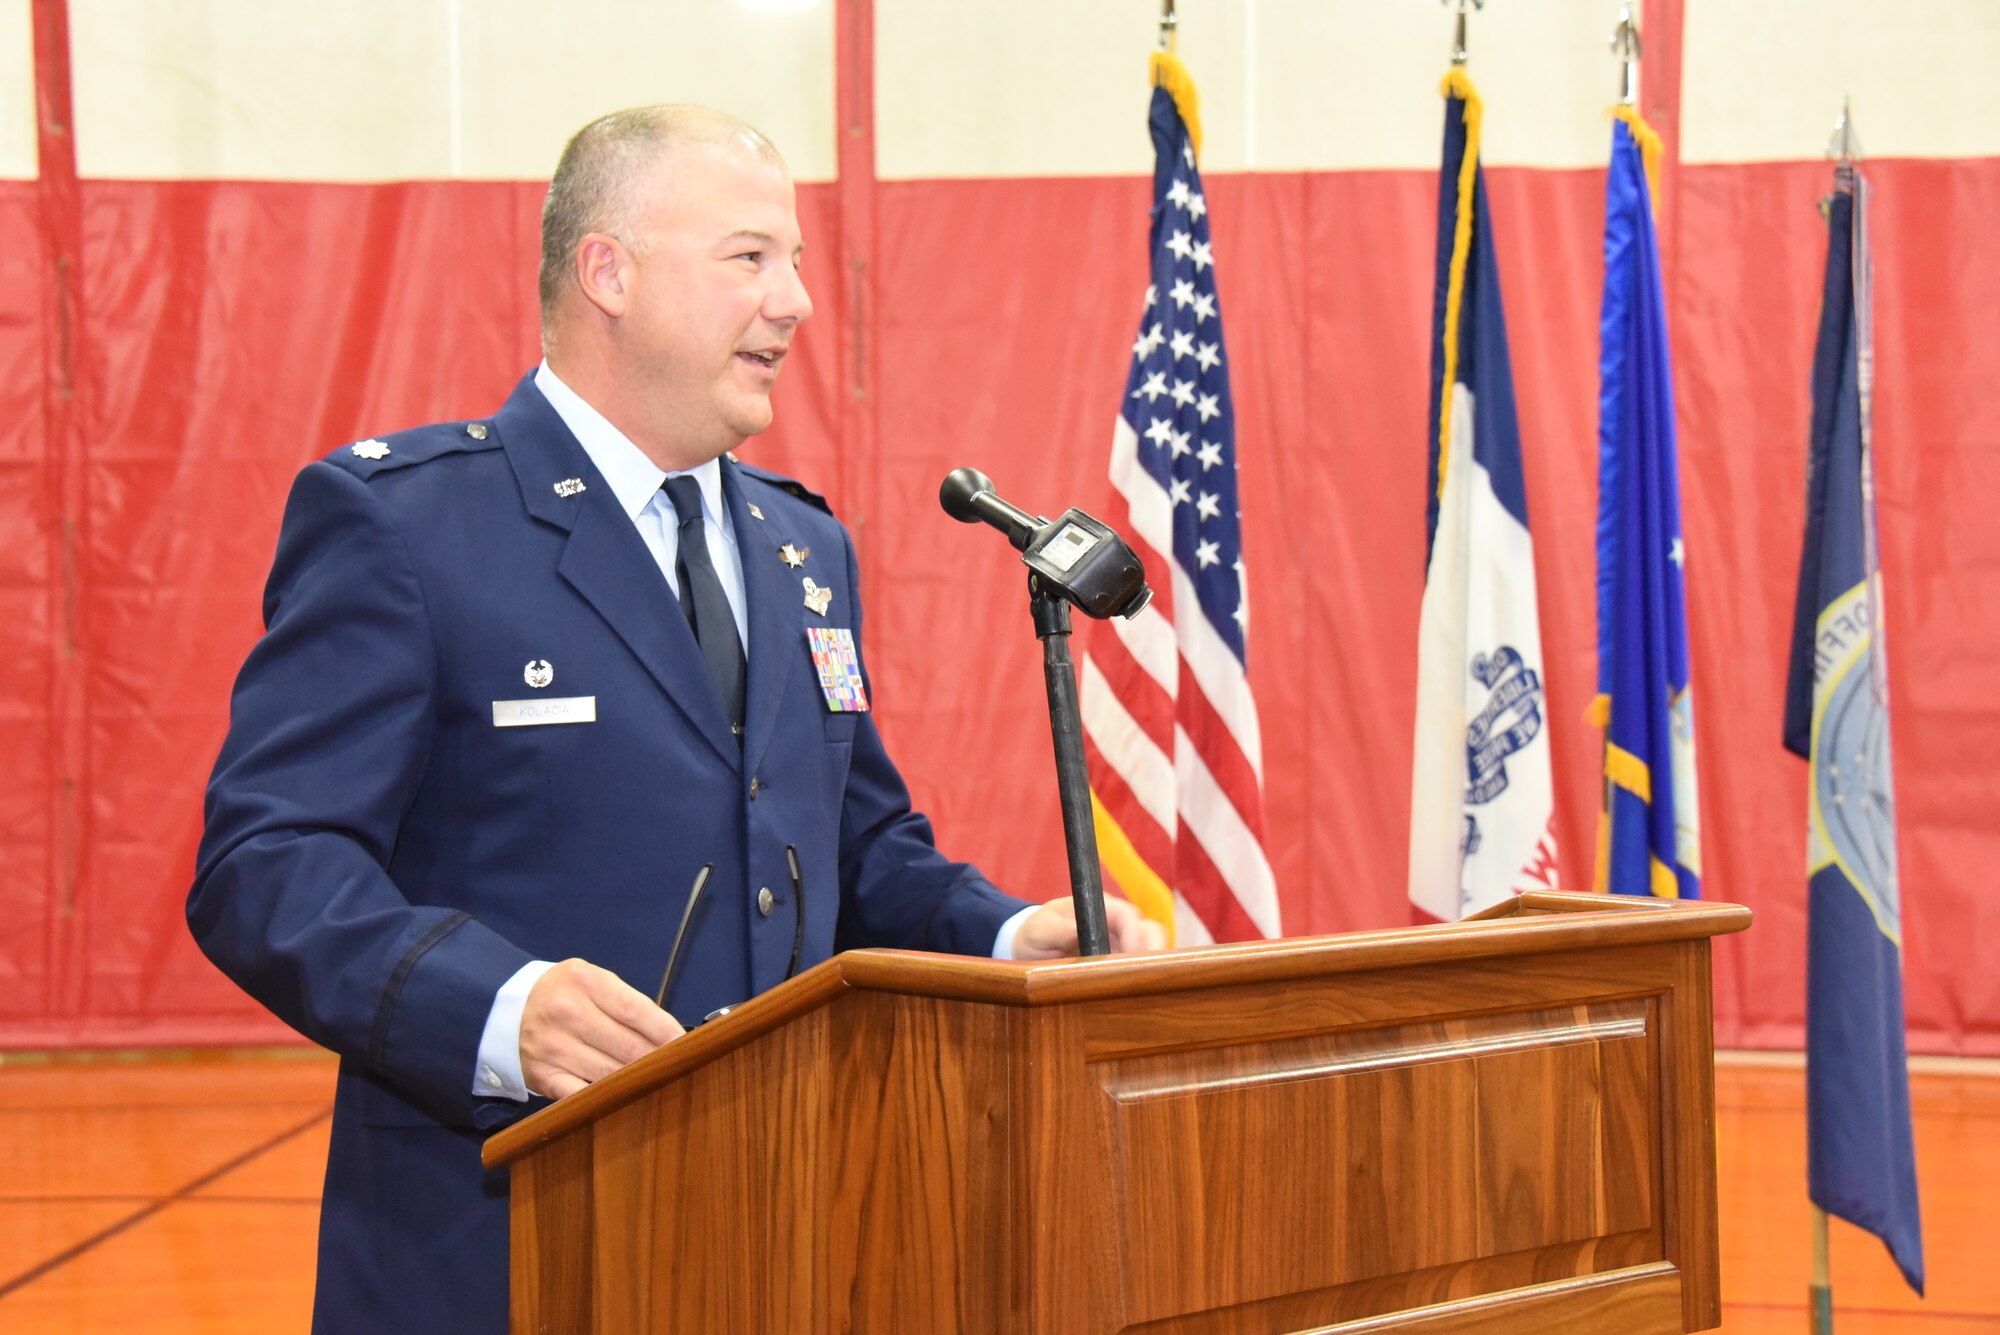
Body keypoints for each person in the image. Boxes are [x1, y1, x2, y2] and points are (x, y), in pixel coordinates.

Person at [188, 105, 1164, 1333]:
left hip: (784, 1236)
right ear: (608, 271)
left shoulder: (803, 545)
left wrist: (1007, 933)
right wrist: (497, 1009)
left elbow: (849, 850)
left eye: (796, 260)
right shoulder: (406, 527)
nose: (797, 300)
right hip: (505, 1244)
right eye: (750, 257)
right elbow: (264, 865)